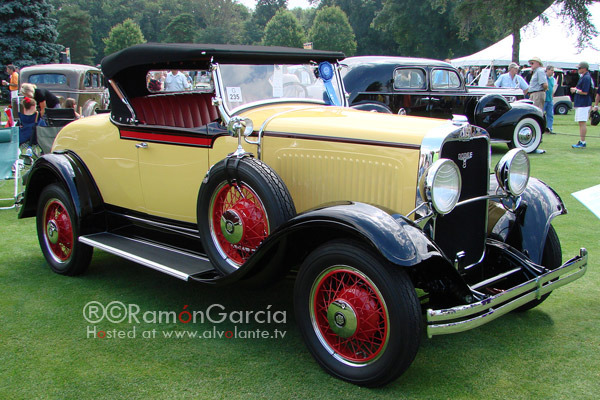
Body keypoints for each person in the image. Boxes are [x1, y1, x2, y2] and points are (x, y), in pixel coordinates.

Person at [571, 61, 593, 148]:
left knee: (582, 122)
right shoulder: (583, 77)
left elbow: (585, 92)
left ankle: (583, 142)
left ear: (584, 68)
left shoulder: (586, 78)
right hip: (581, 103)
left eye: (579, 68)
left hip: (584, 103)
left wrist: (576, 90)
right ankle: (581, 140)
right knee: (581, 122)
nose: (578, 70)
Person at [544, 65, 557, 134]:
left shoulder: (553, 79)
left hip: (550, 99)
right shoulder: (544, 78)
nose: (552, 72)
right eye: (551, 70)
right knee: (541, 114)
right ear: (547, 70)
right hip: (543, 99)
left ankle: (549, 128)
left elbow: (553, 88)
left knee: (550, 114)